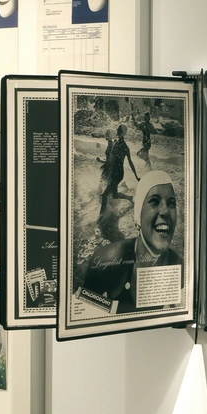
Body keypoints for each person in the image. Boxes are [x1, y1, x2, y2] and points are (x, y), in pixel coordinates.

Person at [81, 171, 180, 313]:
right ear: (138, 216)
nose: (165, 211)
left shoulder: (179, 266)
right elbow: (84, 311)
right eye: (154, 201)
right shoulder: (108, 259)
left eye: (171, 204)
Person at [99, 119, 139, 205]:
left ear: (121, 132)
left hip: (117, 174)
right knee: (114, 195)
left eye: (118, 129)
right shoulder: (118, 144)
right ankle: (129, 198)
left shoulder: (123, 146)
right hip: (115, 172)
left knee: (104, 195)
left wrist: (136, 176)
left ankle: (101, 214)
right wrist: (104, 163)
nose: (117, 130)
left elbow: (130, 162)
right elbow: (111, 158)